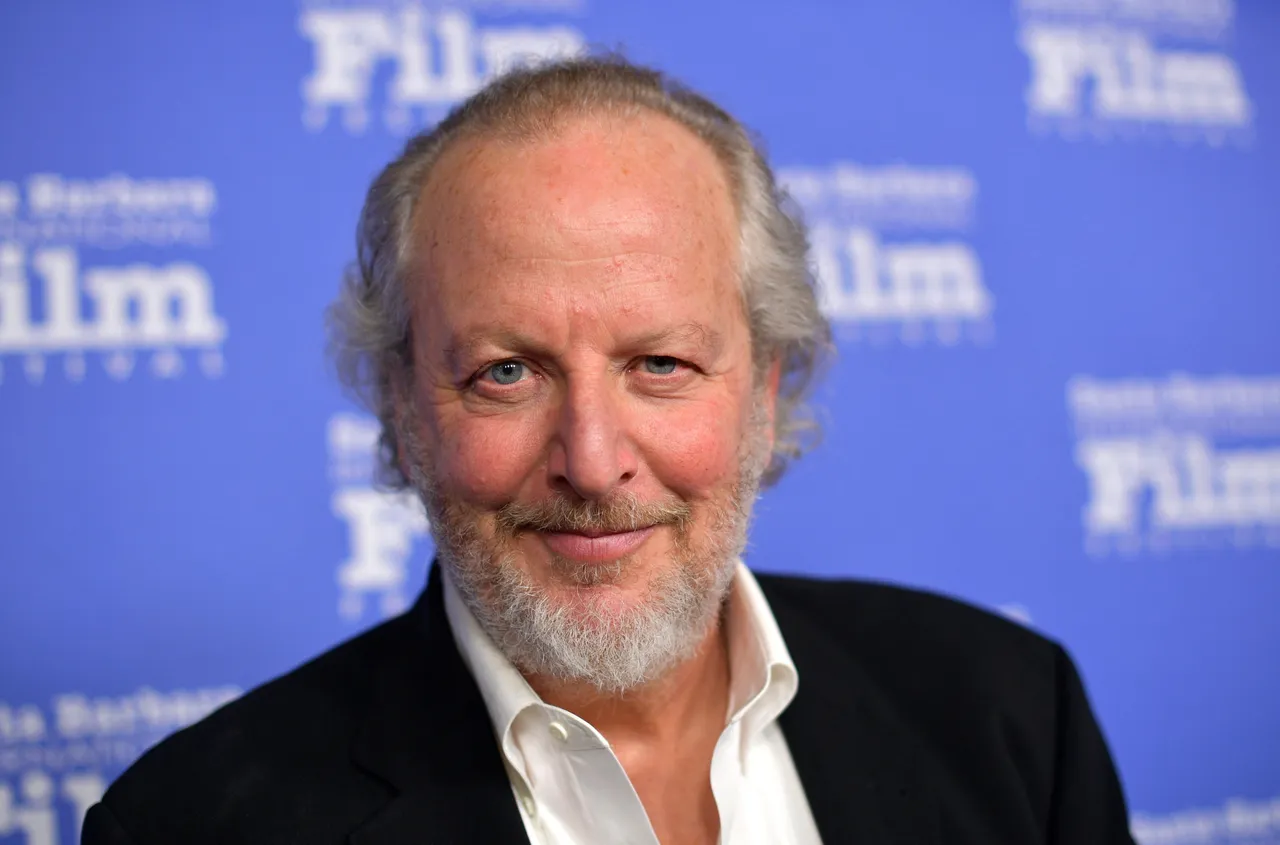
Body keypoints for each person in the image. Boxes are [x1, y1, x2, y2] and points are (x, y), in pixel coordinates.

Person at [82, 57, 1136, 845]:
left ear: (765, 390)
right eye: (506, 372)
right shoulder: (191, 824)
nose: (591, 462)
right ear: (402, 406)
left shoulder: (1007, 713)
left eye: (661, 363)